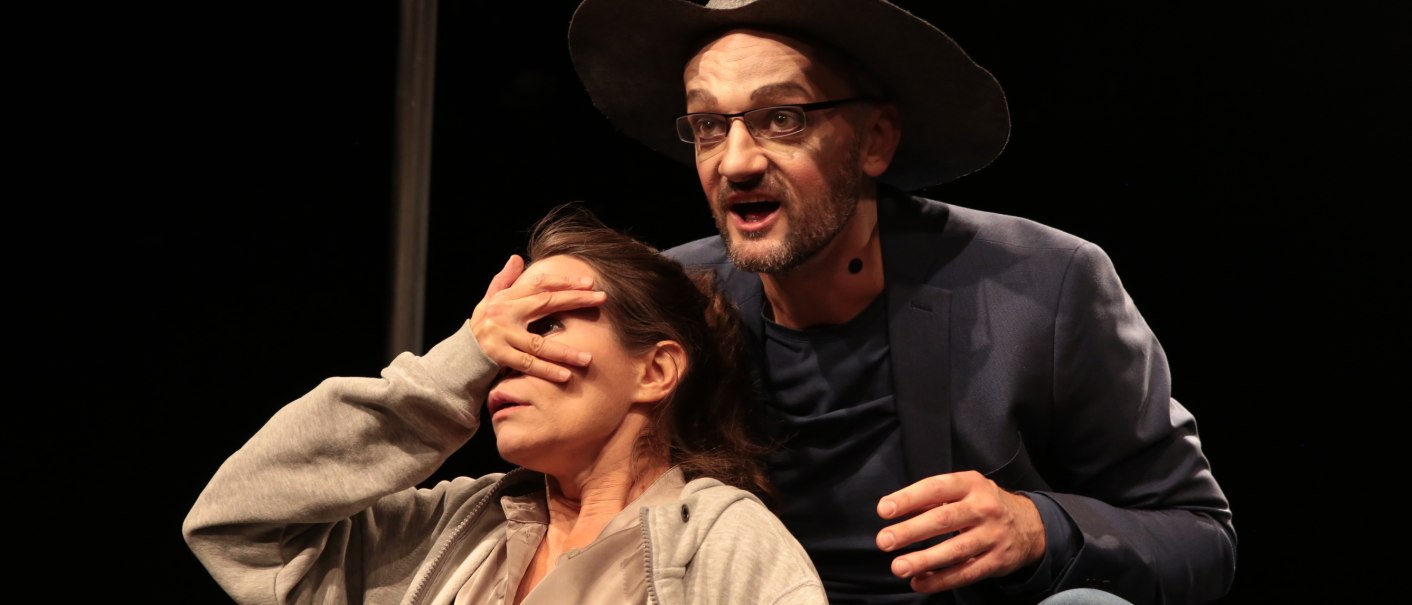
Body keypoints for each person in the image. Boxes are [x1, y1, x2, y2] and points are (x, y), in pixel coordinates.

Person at [468, 1, 1239, 604]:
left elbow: (1201, 537)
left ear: (874, 141)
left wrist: (1040, 526)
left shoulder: (1045, 284)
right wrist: (476, 353)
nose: (735, 160)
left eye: (783, 118)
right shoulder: (678, 302)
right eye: (708, 126)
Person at [182, 203, 829, 604]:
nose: (505, 352)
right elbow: (237, 528)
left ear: (655, 370)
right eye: (496, 331)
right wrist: (455, 363)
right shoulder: (454, 531)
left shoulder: (720, 542)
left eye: (542, 322)